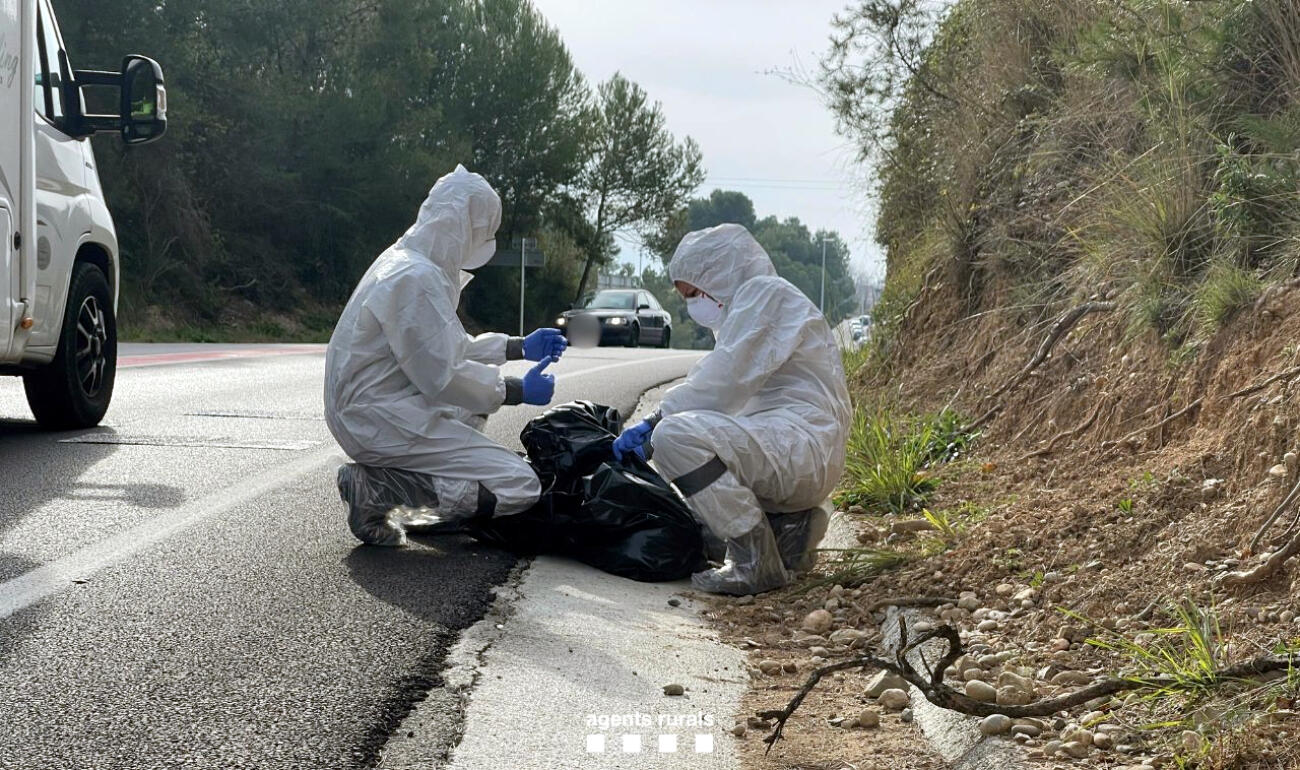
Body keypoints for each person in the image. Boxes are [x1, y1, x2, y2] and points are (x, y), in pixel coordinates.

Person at [325, 165, 567, 546]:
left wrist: (517, 346)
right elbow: (447, 374)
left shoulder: (408, 263)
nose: (484, 241)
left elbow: (443, 350)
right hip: (379, 417)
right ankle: (379, 490)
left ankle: (416, 490)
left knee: (472, 408)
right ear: (463, 226)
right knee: (520, 484)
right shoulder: (413, 278)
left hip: (376, 407)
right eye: (484, 232)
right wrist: (516, 390)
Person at [612, 224, 851, 595]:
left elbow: (721, 381)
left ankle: (754, 562)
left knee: (675, 439)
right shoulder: (753, 308)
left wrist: (657, 419)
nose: (693, 305)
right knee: (703, 511)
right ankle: (790, 531)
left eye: (694, 293)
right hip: (797, 448)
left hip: (801, 447)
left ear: (720, 274)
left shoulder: (765, 295)